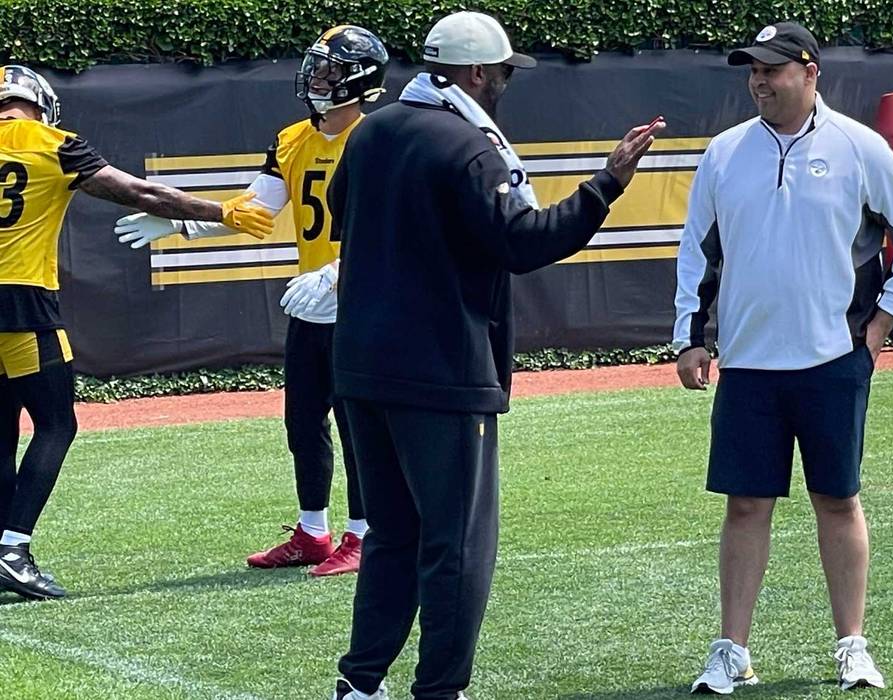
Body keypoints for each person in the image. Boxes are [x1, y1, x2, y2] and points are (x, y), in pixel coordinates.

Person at [323, 11, 663, 700]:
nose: (507, 82)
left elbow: (339, 206)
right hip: (442, 371)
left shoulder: (376, 128)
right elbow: (523, 243)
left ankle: (359, 685)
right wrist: (606, 186)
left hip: (362, 363)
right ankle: (439, 690)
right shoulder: (469, 146)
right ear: (477, 72)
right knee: (457, 545)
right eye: (504, 71)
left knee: (392, 535)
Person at [672, 22, 893, 694]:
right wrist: (690, 335)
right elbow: (696, 249)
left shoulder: (858, 146)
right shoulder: (725, 153)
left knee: (837, 500)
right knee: (744, 506)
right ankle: (730, 650)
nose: (759, 80)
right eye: (751, 71)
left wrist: (880, 325)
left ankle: (851, 646)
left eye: (771, 69)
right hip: (750, 362)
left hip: (831, 360)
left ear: (809, 71)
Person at [112, 26, 390, 577]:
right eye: (316, 67)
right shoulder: (293, 139)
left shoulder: (382, 136)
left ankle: (365, 535)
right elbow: (254, 209)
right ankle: (314, 531)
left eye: (329, 70)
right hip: (312, 299)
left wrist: (339, 271)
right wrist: (181, 223)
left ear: (357, 80)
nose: (316, 78)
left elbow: (395, 225)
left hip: (366, 298)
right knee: (303, 419)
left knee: (361, 423)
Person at [0, 65, 274, 601]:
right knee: (56, 424)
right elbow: (140, 192)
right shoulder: (51, 143)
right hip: (23, 301)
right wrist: (220, 212)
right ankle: (12, 549)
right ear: (39, 103)